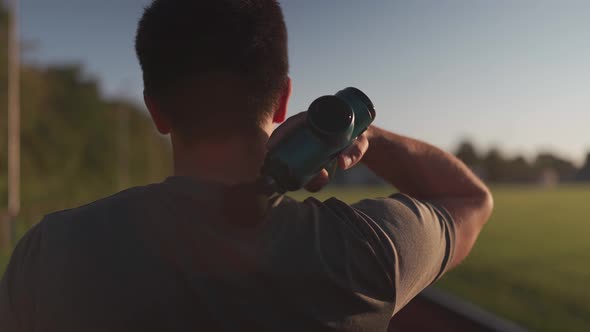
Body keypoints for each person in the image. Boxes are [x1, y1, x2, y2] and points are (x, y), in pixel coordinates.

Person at [0, 0, 493, 331]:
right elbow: (471, 199)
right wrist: (366, 135)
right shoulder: (364, 249)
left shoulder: (49, 253)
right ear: (283, 101)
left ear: (156, 110)